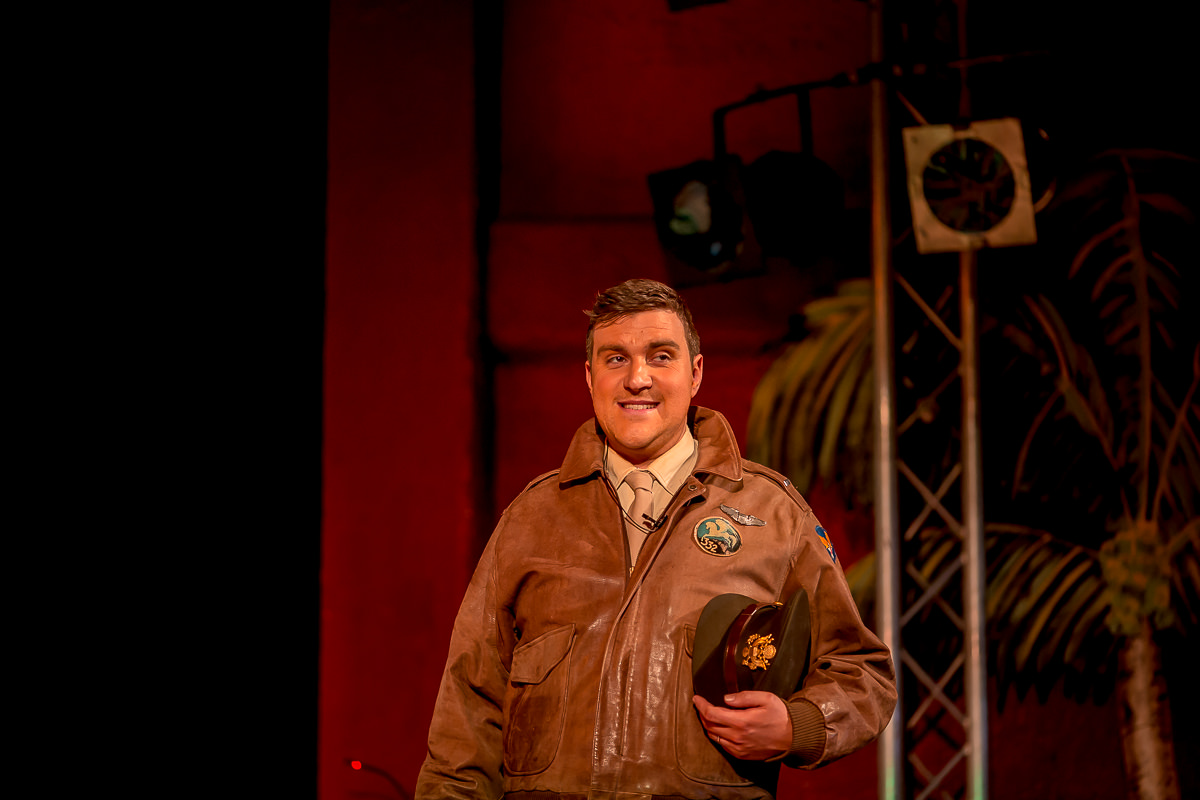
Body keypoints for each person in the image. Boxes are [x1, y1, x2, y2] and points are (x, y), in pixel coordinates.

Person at [416, 279, 895, 800]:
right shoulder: (531, 518)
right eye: (615, 359)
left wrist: (797, 726)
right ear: (589, 377)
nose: (637, 378)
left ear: (696, 374)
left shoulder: (773, 514)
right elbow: (467, 709)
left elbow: (862, 672)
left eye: (660, 356)